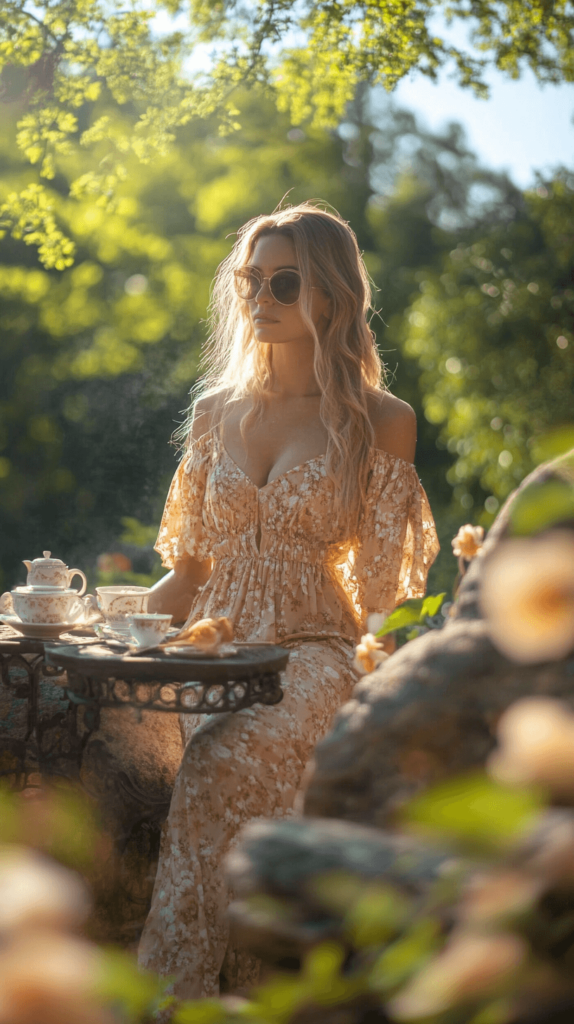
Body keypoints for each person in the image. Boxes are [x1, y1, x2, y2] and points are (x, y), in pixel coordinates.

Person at [138, 202, 439, 997]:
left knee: (210, 772)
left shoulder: (380, 422)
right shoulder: (214, 413)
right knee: (230, 811)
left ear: (332, 297)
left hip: (314, 653)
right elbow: (189, 572)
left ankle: (172, 1001)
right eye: (249, 280)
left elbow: (381, 597)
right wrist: (104, 628)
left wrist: (395, 700)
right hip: (216, 659)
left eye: (283, 282)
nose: (258, 297)